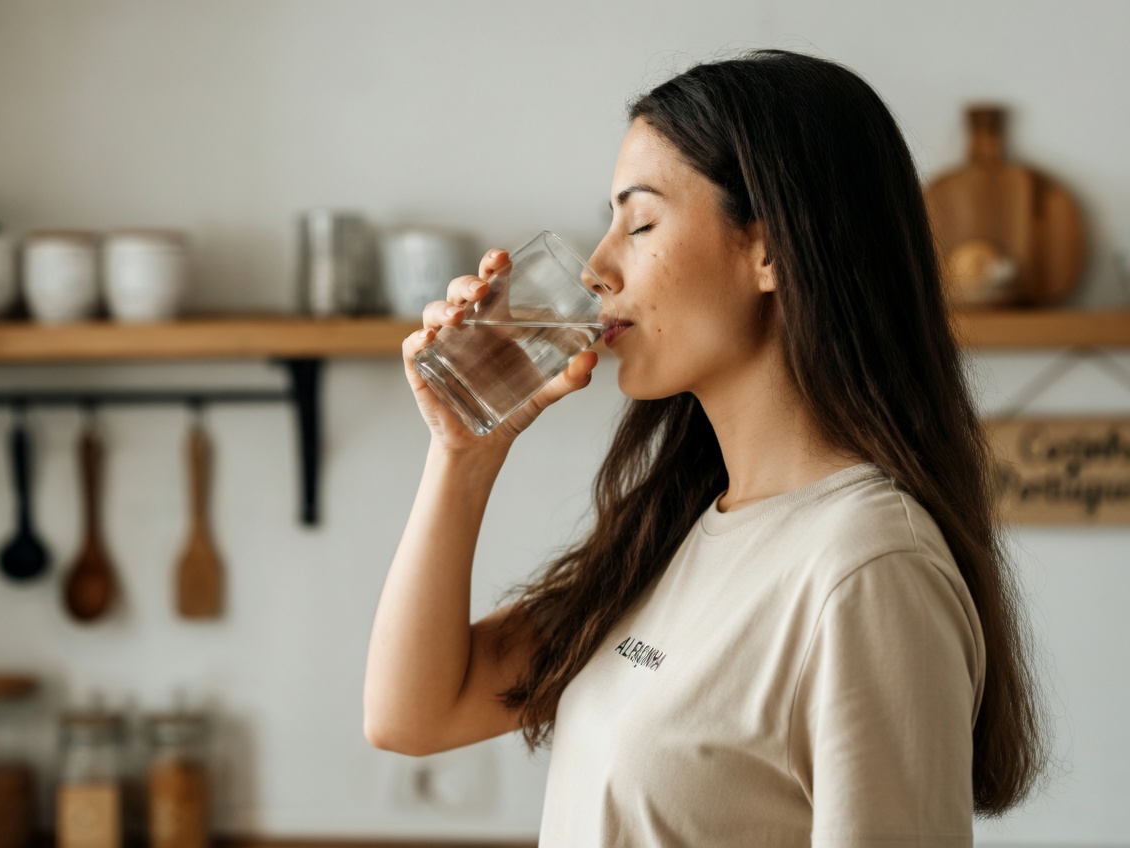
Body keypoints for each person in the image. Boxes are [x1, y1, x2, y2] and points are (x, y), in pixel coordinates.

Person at [364, 49, 1047, 846]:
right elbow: (412, 715)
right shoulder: (678, 528)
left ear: (771, 250)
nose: (596, 268)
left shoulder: (868, 570)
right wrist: (462, 452)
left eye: (641, 220)